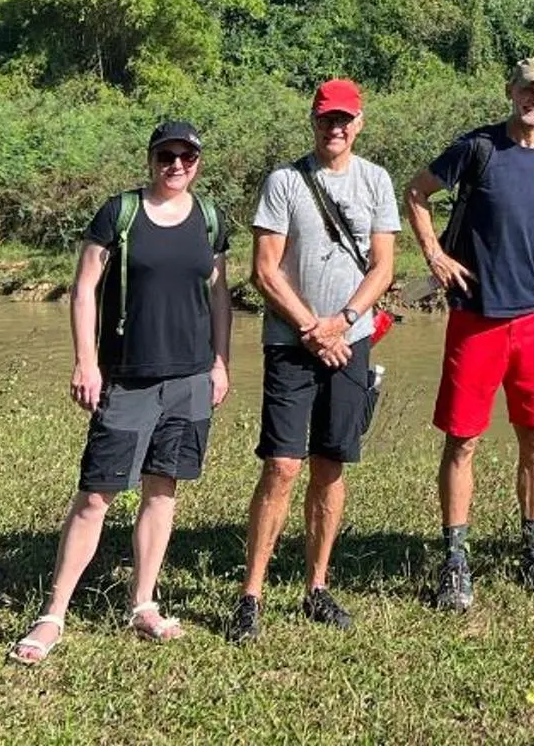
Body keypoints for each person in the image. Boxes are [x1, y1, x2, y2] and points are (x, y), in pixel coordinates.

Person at [7, 119, 231, 664]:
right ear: (151, 159)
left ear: (198, 162)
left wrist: (221, 363)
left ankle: (143, 603)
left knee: (163, 489)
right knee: (96, 495)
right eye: (166, 156)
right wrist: (87, 361)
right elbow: (84, 290)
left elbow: (219, 296)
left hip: (190, 377)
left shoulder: (210, 220)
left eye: (186, 156)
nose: (176, 165)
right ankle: (53, 614)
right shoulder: (120, 213)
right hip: (128, 376)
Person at [404, 55, 534, 611]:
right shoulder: (478, 147)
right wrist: (434, 255)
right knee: (462, 440)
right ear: (511, 92)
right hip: (476, 317)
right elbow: (416, 193)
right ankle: (455, 562)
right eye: (528, 89)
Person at [229, 78, 399, 643]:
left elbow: (382, 268)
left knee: (331, 465)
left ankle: (317, 586)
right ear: (313, 119)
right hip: (290, 344)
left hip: (350, 342)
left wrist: (342, 324)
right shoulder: (283, 181)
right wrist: (310, 327)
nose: (336, 128)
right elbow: (265, 270)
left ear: (360, 122)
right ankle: (251, 593)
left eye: (345, 119)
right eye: (328, 118)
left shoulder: (376, 181)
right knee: (281, 466)